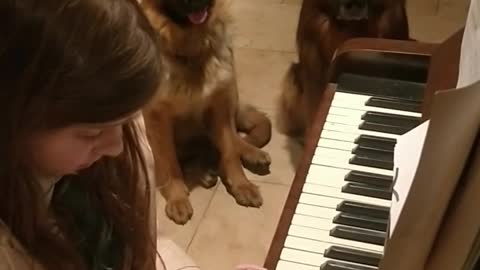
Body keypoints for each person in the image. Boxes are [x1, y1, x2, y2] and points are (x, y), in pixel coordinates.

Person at [0, 0, 267, 269]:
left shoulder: (121, 153)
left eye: (128, 120)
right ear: (14, 114)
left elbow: (148, 245)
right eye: (91, 133)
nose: (117, 147)